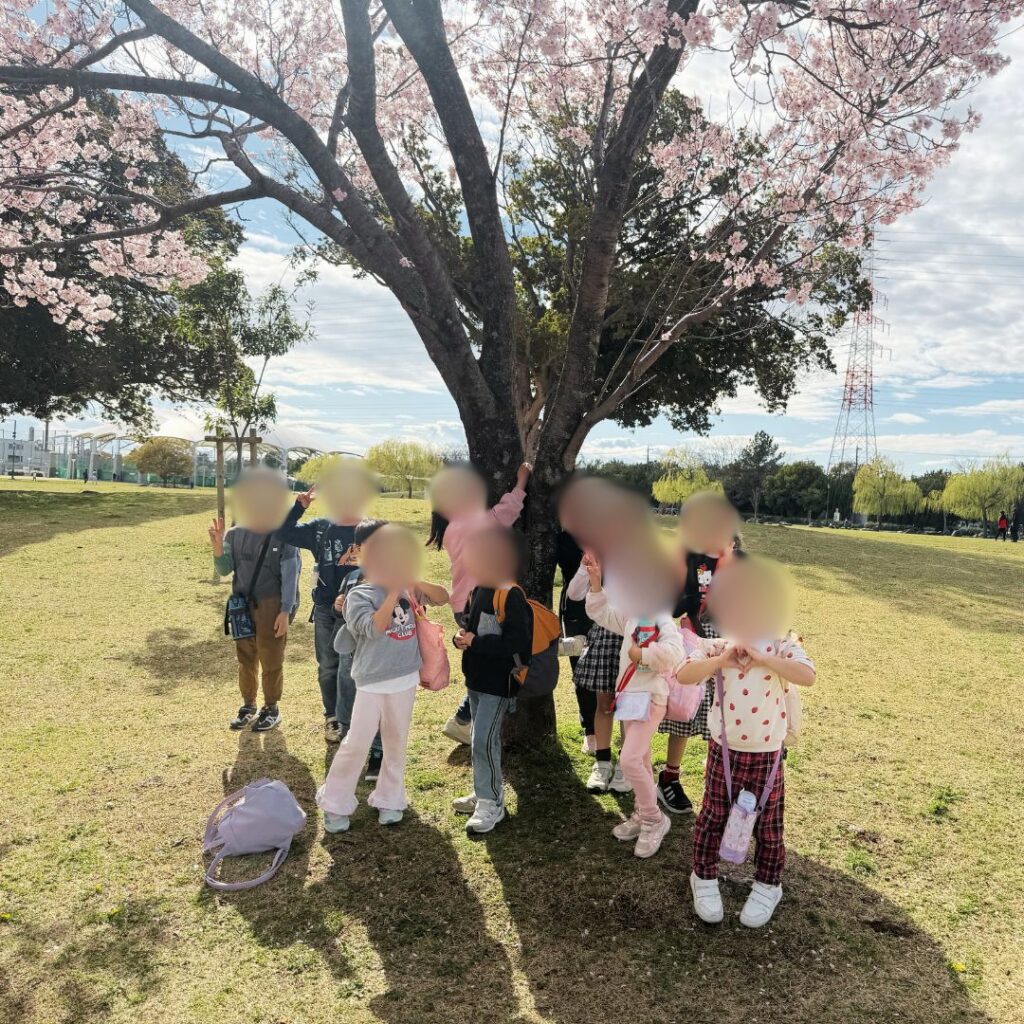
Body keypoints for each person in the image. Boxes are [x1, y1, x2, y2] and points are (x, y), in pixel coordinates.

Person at [680, 556, 816, 928]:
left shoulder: (782, 646)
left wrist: (762, 659)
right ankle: (703, 876)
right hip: (723, 752)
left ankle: (768, 884)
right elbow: (684, 673)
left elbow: (807, 675)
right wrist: (724, 657)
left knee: (768, 827)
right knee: (712, 817)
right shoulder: (716, 647)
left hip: (768, 755)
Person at [317, 524, 449, 833]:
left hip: (405, 678)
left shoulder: (407, 586)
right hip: (372, 681)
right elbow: (374, 628)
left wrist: (412, 582)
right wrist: (392, 592)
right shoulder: (358, 595)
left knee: (395, 742)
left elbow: (443, 597)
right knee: (356, 743)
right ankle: (335, 803)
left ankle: (390, 799)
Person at [584, 554, 684, 859]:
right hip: (629, 697)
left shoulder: (662, 618)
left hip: (651, 697)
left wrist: (644, 655)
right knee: (639, 759)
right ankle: (642, 813)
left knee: (628, 761)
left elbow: (674, 653)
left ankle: (654, 819)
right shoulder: (630, 615)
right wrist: (595, 581)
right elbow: (600, 611)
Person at [427, 461, 532, 745]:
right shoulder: (473, 523)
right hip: (481, 605)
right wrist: (521, 482)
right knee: (494, 659)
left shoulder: (451, 529)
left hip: (464, 605)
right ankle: (464, 719)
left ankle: (466, 718)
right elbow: (505, 513)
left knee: (483, 656)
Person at [276, 460, 374, 742]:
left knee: (356, 668)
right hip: (324, 609)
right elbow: (282, 533)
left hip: (360, 610)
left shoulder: (371, 529)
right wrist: (298, 508)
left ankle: (356, 719)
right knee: (329, 666)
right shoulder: (320, 528)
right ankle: (333, 717)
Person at [656, 493, 742, 816]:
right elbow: (672, 601)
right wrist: (692, 602)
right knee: (686, 707)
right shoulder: (689, 558)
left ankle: (721, 782)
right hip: (693, 640)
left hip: (730, 643)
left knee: (725, 712)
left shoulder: (739, 559)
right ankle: (670, 776)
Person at [452, 525, 534, 834]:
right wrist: (459, 638)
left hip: (498, 684)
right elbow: (468, 628)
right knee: (484, 741)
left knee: (482, 740)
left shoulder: (510, 596)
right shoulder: (478, 590)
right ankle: (485, 790)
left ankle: (491, 804)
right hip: (475, 680)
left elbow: (517, 645)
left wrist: (474, 642)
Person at [210, 469, 301, 733]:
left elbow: (291, 574)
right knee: (245, 658)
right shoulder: (235, 534)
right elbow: (225, 568)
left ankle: (271, 708)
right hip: (241, 605)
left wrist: (286, 610)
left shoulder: (283, 535)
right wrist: (217, 547)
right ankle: (248, 705)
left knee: (272, 658)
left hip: (272, 605)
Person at [564, 553, 632, 795]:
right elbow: (573, 594)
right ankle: (602, 762)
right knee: (604, 704)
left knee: (630, 707)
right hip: (605, 637)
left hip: (634, 638)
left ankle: (627, 765)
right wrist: (586, 570)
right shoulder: (599, 557)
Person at [332, 517, 388, 781]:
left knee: (377, 707)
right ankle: (348, 745)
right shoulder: (352, 576)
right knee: (347, 701)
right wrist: (339, 605)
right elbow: (344, 612)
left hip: (378, 657)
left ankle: (377, 753)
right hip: (350, 656)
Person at [556, 530, 598, 754]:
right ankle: (590, 731)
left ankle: (607, 726)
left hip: (609, 609)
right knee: (581, 671)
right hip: (576, 611)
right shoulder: (568, 536)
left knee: (609, 671)